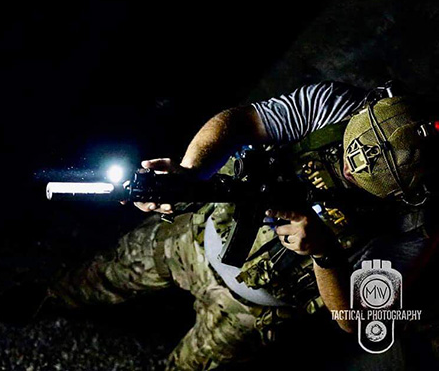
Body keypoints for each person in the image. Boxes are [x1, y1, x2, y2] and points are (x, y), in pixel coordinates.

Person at [32, 81, 439, 369]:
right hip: (196, 234)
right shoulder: (334, 105)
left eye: (362, 176)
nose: (349, 166)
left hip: (246, 312)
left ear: (408, 192)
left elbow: (355, 322)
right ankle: (49, 299)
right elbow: (241, 121)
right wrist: (187, 175)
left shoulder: (414, 226)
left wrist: (324, 253)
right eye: (351, 149)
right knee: (107, 271)